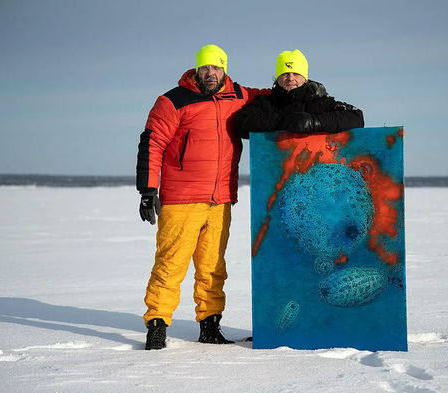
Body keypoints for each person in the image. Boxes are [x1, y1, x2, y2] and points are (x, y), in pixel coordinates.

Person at [135, 44, 267, 350]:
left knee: (212, 267)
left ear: (224, 69)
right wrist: (147, 190)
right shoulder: (173, 100)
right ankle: (157, 325)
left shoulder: (239, 95)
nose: (210, 73)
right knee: (170, 264)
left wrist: (307, 89)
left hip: (220, 199)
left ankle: (210, 326)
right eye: (204, 68)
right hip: (182, 198)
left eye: (215, 68)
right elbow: (152, 143)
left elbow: (278, 96)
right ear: (196, 70)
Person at [234, 49, 364, 137]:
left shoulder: (320, 101)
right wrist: (284, 122)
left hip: (314, 171)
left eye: (296, 73)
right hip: (277, 173)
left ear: (305, 78)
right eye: (285, 74)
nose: (290, 78)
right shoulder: (265, 103)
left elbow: (356, 117)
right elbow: (241, 123)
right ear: (277, 77)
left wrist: (313, 122)